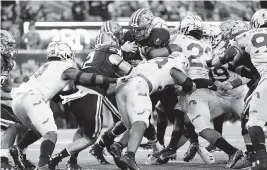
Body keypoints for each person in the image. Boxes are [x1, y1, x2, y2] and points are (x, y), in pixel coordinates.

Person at [10, 40, 117, 170]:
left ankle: (18, 149)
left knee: (38, 130)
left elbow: (55, 97)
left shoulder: (46, 66)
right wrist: (111, 80)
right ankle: (43, 165)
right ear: (66, 53)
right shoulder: (64, 66)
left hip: (18, 100)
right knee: (51, 134)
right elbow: (85, 78)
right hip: (33, 98)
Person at [49, 32, 133, 170]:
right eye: (114, 39)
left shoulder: (93, 55)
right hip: (91, 95)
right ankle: (57, 158)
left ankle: (72, 161)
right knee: (91, 138)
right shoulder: (110, 53)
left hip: (77, 94)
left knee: (81, 130)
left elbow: (106, 85)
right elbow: (129, 70)